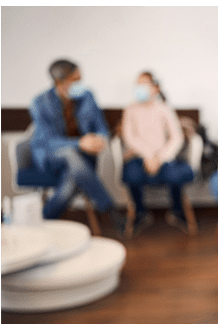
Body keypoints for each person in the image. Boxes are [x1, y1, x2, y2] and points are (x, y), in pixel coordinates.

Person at [29, 59, 125, 231]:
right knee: (69, 153)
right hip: (51, 156)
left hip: (83, 159)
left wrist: (100, 139)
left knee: (71, 181)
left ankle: (42, 222)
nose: (80, 83)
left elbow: (100, 126)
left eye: (80, 79)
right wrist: (80, 143)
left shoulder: (87, 96)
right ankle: (109, 208)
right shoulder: (40, 103)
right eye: (75, 80)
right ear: (59, 82)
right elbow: (49, 141)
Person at [120, 71, 194, 235]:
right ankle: (140, 213)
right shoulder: (130, 109)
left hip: (163, 159)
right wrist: (148, 156)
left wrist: (159, 158)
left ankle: (177, 211)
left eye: (144, 84)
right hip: (139, 157)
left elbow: (176, 137)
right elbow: (130, 137)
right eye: (137, 84)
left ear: (155, 88)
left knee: (176, 175)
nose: (139, 88)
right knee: (131, 175)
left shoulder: (164, 109)